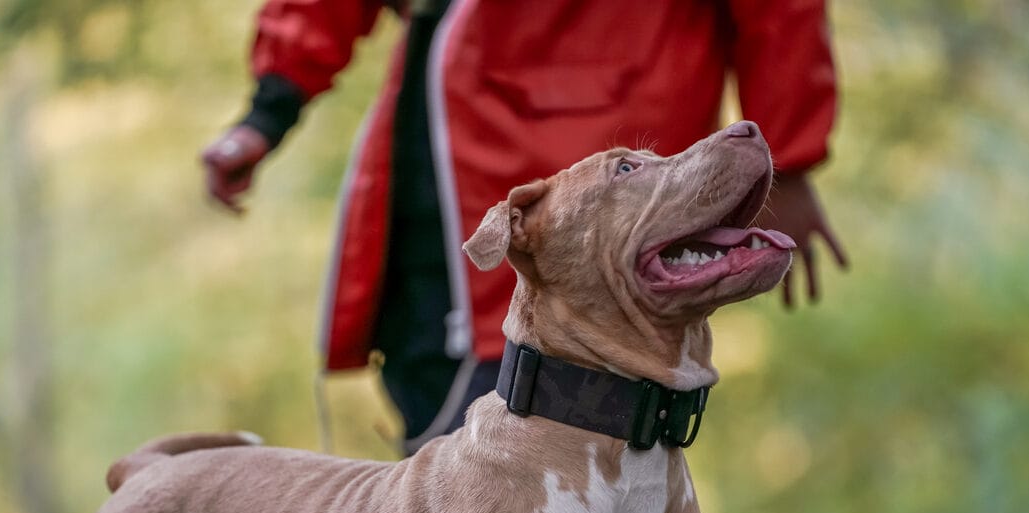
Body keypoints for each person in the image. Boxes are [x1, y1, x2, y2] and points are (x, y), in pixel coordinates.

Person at [202, 0, 847, 454]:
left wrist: (788, 158)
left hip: (595, 166)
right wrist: (269, 109)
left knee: (593, 495)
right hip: (433, 199)